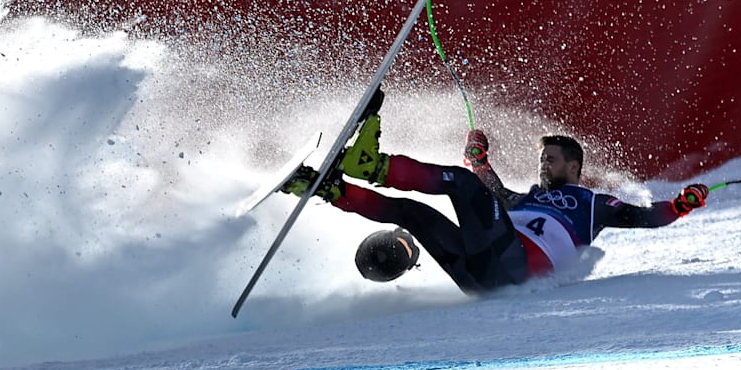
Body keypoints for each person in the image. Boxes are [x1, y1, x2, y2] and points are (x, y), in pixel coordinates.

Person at [283, 94, 710, 293]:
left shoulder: (590, 204)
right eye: (542, 159)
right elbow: (495, 198)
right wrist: (480, 162)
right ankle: (329, 189)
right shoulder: (528, 199)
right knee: (414, 214)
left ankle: (373, 166)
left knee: (460, 183)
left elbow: (643, 217)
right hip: (480, 276)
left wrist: (679, 205)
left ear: (574, 167)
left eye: (552, 160)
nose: (543, 166)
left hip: (513, 266)